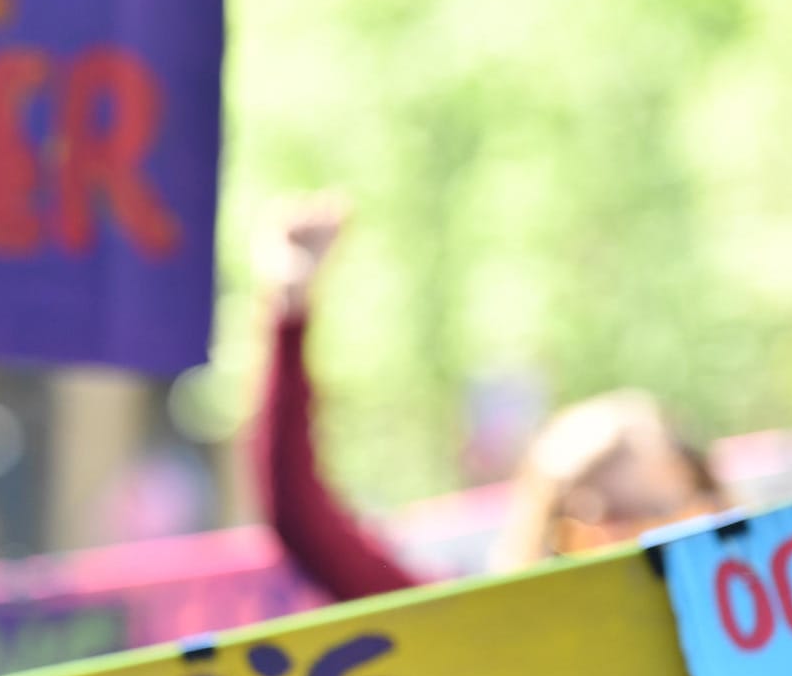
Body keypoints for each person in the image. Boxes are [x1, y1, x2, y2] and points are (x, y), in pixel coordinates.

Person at [250, 193, 728, 602]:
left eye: (662, 518)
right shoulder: (492, 630)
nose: (632, 549)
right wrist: (290, 313)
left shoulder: (765, 627)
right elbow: (305, 523)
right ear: (550, 535)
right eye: (602, 525)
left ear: (711, 509)